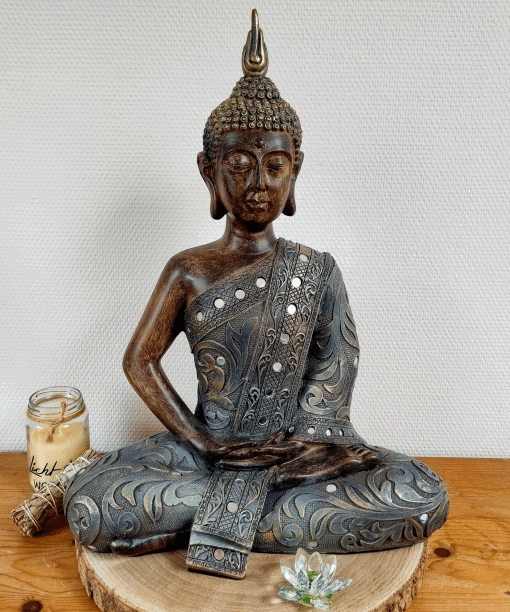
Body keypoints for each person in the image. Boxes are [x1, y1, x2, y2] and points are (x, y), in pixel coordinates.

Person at [64, 11, 448, 579]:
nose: (259, 184)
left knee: (421, 490)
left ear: (296, 172)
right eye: (239, 166)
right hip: (203, 455)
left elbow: (333, 378)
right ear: (209, 172)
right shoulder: (188, 270)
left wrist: (299, 456)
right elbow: (139, 361)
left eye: (275, 166)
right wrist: (202, 440)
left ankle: (198, 519)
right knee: (90, 498)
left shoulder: (318, 271)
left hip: (297, 460)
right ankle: (253, 519)